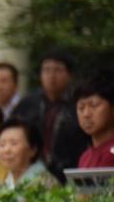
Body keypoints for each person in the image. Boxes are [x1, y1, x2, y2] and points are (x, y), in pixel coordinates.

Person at [13, 50, 91, 181]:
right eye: (46, 70)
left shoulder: (79, 103)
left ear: (69, 75)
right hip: (32, 172)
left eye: (58, 70)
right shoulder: (28, 103)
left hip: (71, 172)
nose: (51, 76)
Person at [0, 118, 55, 189]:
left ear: (33, 150)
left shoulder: (45, 182)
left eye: (13, 144)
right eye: (2, 145)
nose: (6, 150)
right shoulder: (4, 181)